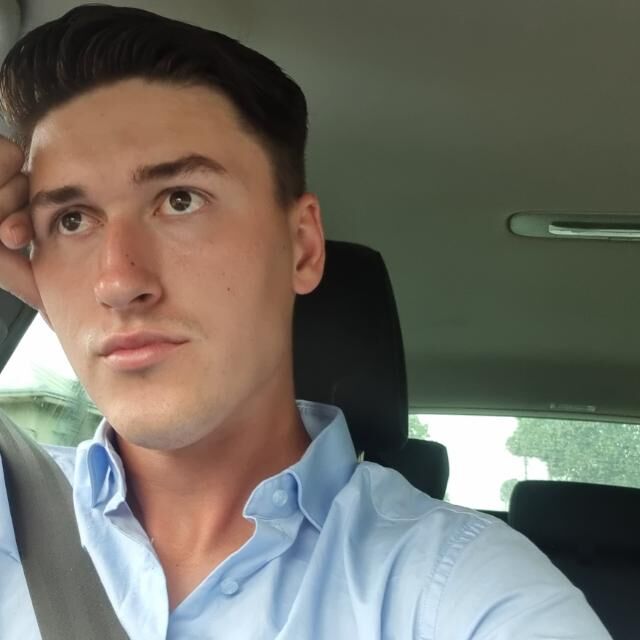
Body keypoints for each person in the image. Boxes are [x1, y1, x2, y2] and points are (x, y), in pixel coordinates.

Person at [0, 4, 611, 639]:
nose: (118, 281)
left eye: (180, 200)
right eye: (71, 220)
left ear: (302, 246)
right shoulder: (13, 512)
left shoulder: (465, 589)